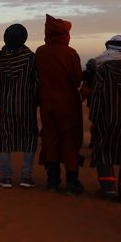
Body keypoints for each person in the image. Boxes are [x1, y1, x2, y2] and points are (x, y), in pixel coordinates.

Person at [35, 14, 83, 195]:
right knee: (69, 143)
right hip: (68, 105)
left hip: (47, 104)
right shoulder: (70, 53)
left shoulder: (40, 52)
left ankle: (52, 182)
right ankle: (72, 183)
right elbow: (77, 79)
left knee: (51, 141)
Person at [89, 35, 121, 202]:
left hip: (106, 117)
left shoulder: (103, 68)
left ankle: (108, 188)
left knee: (103, 150)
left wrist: (94, 117)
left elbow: (97, 96)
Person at [0, 24, 39, 188]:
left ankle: (6, 177)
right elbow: (36, 82)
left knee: (5, 138)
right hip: (26, 104)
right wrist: (35, 99)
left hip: (6, 104)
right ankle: (26, 176)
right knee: (29, 137)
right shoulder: (30, 58)